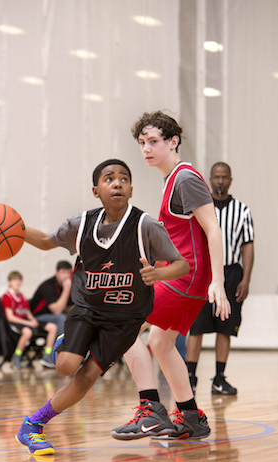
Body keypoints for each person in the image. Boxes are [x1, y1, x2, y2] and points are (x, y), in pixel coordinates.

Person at [15, 158, 190, 455]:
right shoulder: (80, 224)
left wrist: (158, 273)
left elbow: (182, 264)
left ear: (131, 189)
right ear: (96, 190)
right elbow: (46, 241)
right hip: (87, 311)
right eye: (109, 179)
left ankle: (32, 425)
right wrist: (12, 227)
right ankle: (67, 343)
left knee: (85, 380)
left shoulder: (145, 226)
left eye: (123, 178)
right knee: (66, 366)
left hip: (123, 322)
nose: (117, 183)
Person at [111, 111, 231, 441]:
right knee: (160, 341)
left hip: (186, 278)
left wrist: (217, 282)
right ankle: (190, 417)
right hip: (181, 275)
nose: (146, 149)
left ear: (173, 141)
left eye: (153, 142)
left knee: (121, 325)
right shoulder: (171, 180)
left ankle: (150, 411)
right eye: (141, 143)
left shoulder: (185, 178)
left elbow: (213, 228)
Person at [186, 162, 254, 395]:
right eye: (216, 177)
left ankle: (219, 378)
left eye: (224, 177)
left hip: (231, 273)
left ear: (230, 180)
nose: (220, 181)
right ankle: (190, 377)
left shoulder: (242, 210)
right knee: (196, 328)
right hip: (204, 272)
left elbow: (248, 246)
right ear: (210, 179)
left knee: (226, 328)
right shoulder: (200, 207)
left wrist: (246, 278)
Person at [1, 271, 58, 370]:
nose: (17, 282)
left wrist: (33, 320)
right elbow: (10, 317)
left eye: (19, 280)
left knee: (52, 327)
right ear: (9, 282)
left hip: (26, 321)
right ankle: (17, 357)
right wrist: (28, 322)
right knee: (27, 332)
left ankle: (47, 356)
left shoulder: (21, 296)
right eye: (14, 280)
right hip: (15, 322)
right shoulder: (7, 296)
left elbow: (27, 312)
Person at [30, 260, 73, 368]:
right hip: (37, 317)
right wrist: (67, 289)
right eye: (63, 272)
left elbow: (69, 308)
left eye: (68, 273)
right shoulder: (48, 286)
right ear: (56, 273)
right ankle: (59, 354)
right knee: (61, 318)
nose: (66, 276)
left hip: (53, 317)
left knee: (74, 319)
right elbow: (57, 310)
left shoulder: (64, 286)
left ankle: (76, 354)